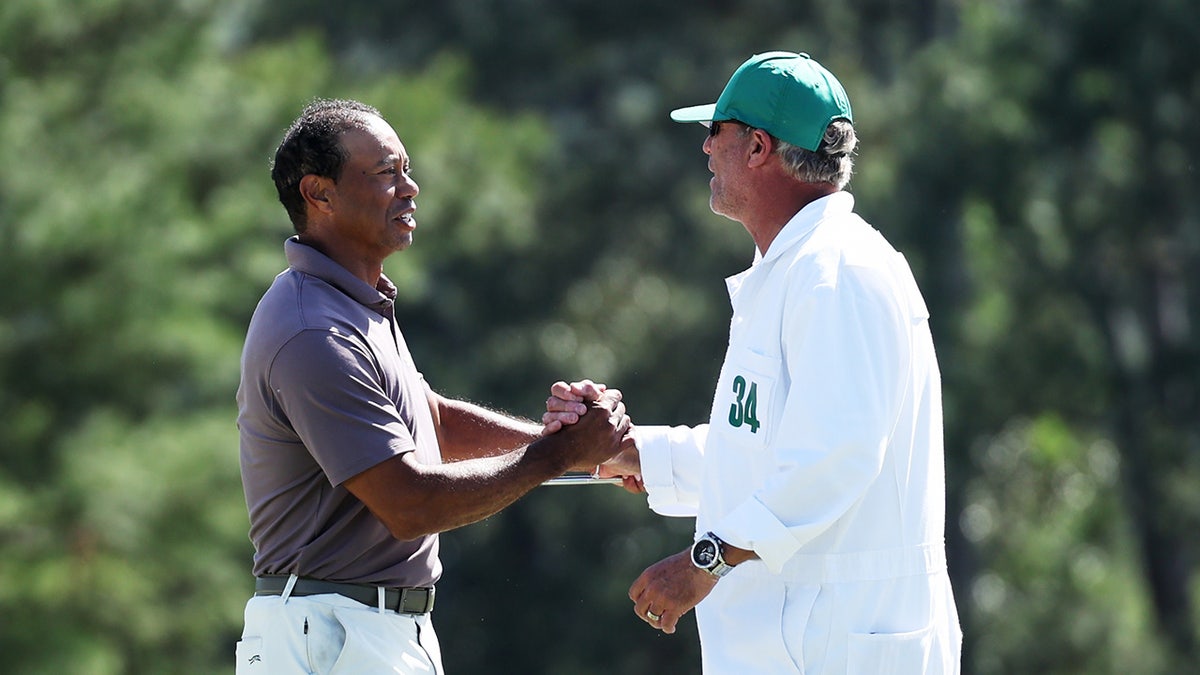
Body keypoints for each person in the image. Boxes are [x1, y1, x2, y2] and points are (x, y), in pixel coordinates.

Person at [546, 52, 962, 673]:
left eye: (716, 131)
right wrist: (637, 453)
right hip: (807, 643)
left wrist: (703, 561)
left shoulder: (838, 272)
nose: (706, 149)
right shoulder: (803, 268)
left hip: (844, 648)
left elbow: (834, 454)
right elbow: (768, 451)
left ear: (759, 147)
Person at [234, 98, 629, 674]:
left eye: (406, 169)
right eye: (385, 174)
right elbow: (409, 503)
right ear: (319, 194)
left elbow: (433, 420)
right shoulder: (312, 330)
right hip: (331, 634)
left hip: (362, 629)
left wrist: (583, 453)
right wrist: (557, 454)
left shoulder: (351, 302)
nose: (411, 188)